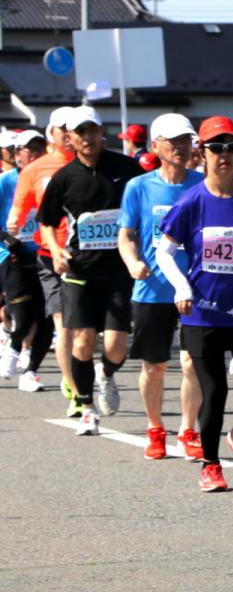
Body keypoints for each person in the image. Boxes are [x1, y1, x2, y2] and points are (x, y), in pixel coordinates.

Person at [156, 116, 233, 492]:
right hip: (202, 313)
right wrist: (180, 287)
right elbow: (164, 252)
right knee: (214, 391)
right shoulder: (191, 201)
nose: (224, 155)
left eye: (231, 148)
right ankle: (211, 465)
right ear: (203, 154)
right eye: (215, 148)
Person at [37, 106, 143, 435]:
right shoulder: (64, 177)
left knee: (116, 346)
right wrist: (55, 250)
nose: (86, 137)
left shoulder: (126, 169)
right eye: (79, 132)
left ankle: (107, 375)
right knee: (82, 342)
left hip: (118, 270)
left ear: (102, 133)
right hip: (78, 271)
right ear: (69, 138)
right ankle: (86, 407)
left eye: (91, 130)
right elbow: (46, 222)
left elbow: (143, 209)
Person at [117, 114, 204, 460]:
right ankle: (155, 427)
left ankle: (188, 429)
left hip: (196, 288)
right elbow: (126, 234)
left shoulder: (202, 184)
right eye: (174, 141)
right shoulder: (138, 187)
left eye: (186, 140)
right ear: (156, 146)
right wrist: (132, 262)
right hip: (152, 289)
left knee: (191, 363)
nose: (182, 147)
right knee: (154, 366)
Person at [8, 106, 79, 412]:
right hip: (45, 255)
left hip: (89, 256)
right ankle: (73, 386)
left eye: (71, 128)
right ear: (53, 132)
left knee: (84, 330)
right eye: (61, 127)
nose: (67, 133)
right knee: (53, 323)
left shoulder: (91, 164)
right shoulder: (34, 171)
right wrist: (12, 224)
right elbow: (18, 210)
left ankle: (90, 371)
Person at [0, 130, 54, 391]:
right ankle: (12, 346)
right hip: (10, 255)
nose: (33, 154)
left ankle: (30, 370)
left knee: (47, 317)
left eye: (38, 149)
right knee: (22, 311)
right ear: (16, 153)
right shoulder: (5, 182)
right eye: (27, 149)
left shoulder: (49, 180)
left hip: (43, 253)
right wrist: (7, 239)